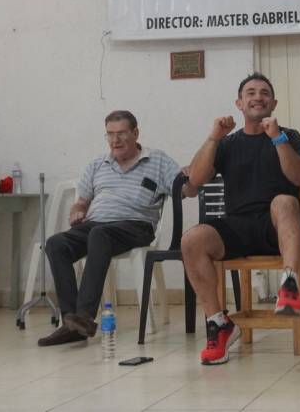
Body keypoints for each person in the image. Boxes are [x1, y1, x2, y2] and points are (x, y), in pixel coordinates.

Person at [182, 72, 300, 365]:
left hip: (280, 226)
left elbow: (298, 176)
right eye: (250, 93)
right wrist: (214, 137)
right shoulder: (227, 143)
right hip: (238, 227)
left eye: (264, 92)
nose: (258, 97)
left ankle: (289, 287)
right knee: (192, 239)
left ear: (273, 103)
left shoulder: (288, 136)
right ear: (239, 103)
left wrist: (277, 138)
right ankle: (219, 324)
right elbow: (197, 180)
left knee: (283, 200)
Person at [37, 110, 187, 347]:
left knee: (99, 234)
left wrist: (191, 177)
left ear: (135, 133)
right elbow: (82, 201)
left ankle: (84, 316)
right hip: (97, 224)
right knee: (57, 243)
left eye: (121, 134)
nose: (115, 141)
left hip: (136, 225)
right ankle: (71, 322)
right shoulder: (98, 164)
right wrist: (77, 210)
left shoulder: (157, 160)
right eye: (110, 135)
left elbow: (185, 189)